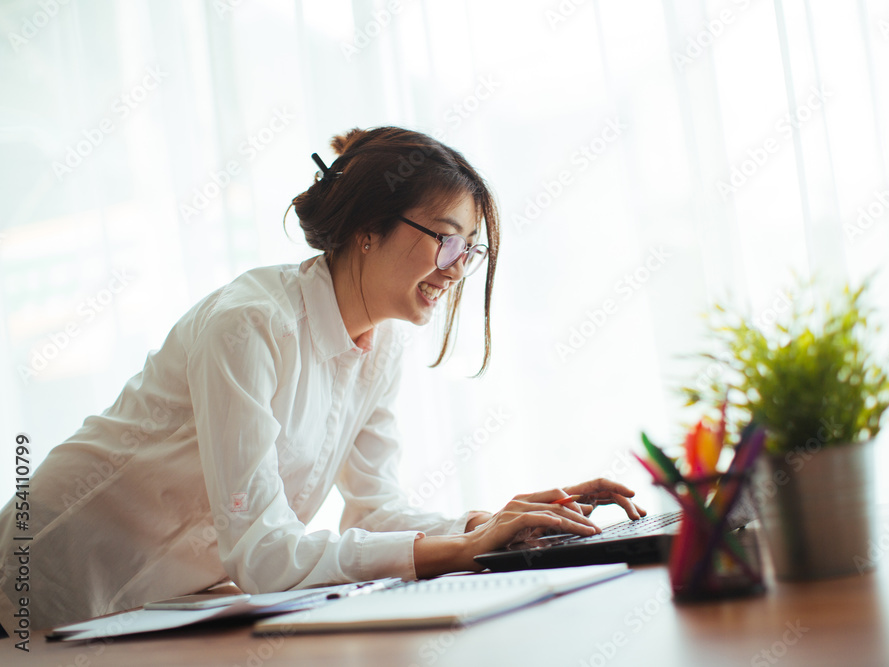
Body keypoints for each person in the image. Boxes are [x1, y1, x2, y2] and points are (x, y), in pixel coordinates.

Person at [0, 126, 644, 632]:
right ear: (368, 230)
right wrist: (460, 549)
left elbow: (376, 509)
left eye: (469, 249)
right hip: (45, 577)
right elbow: (262, 553)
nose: (457, 268)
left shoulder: (382, 345)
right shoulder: (250, 325)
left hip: (158, 602)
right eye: (447, 240)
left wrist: (490, 522)